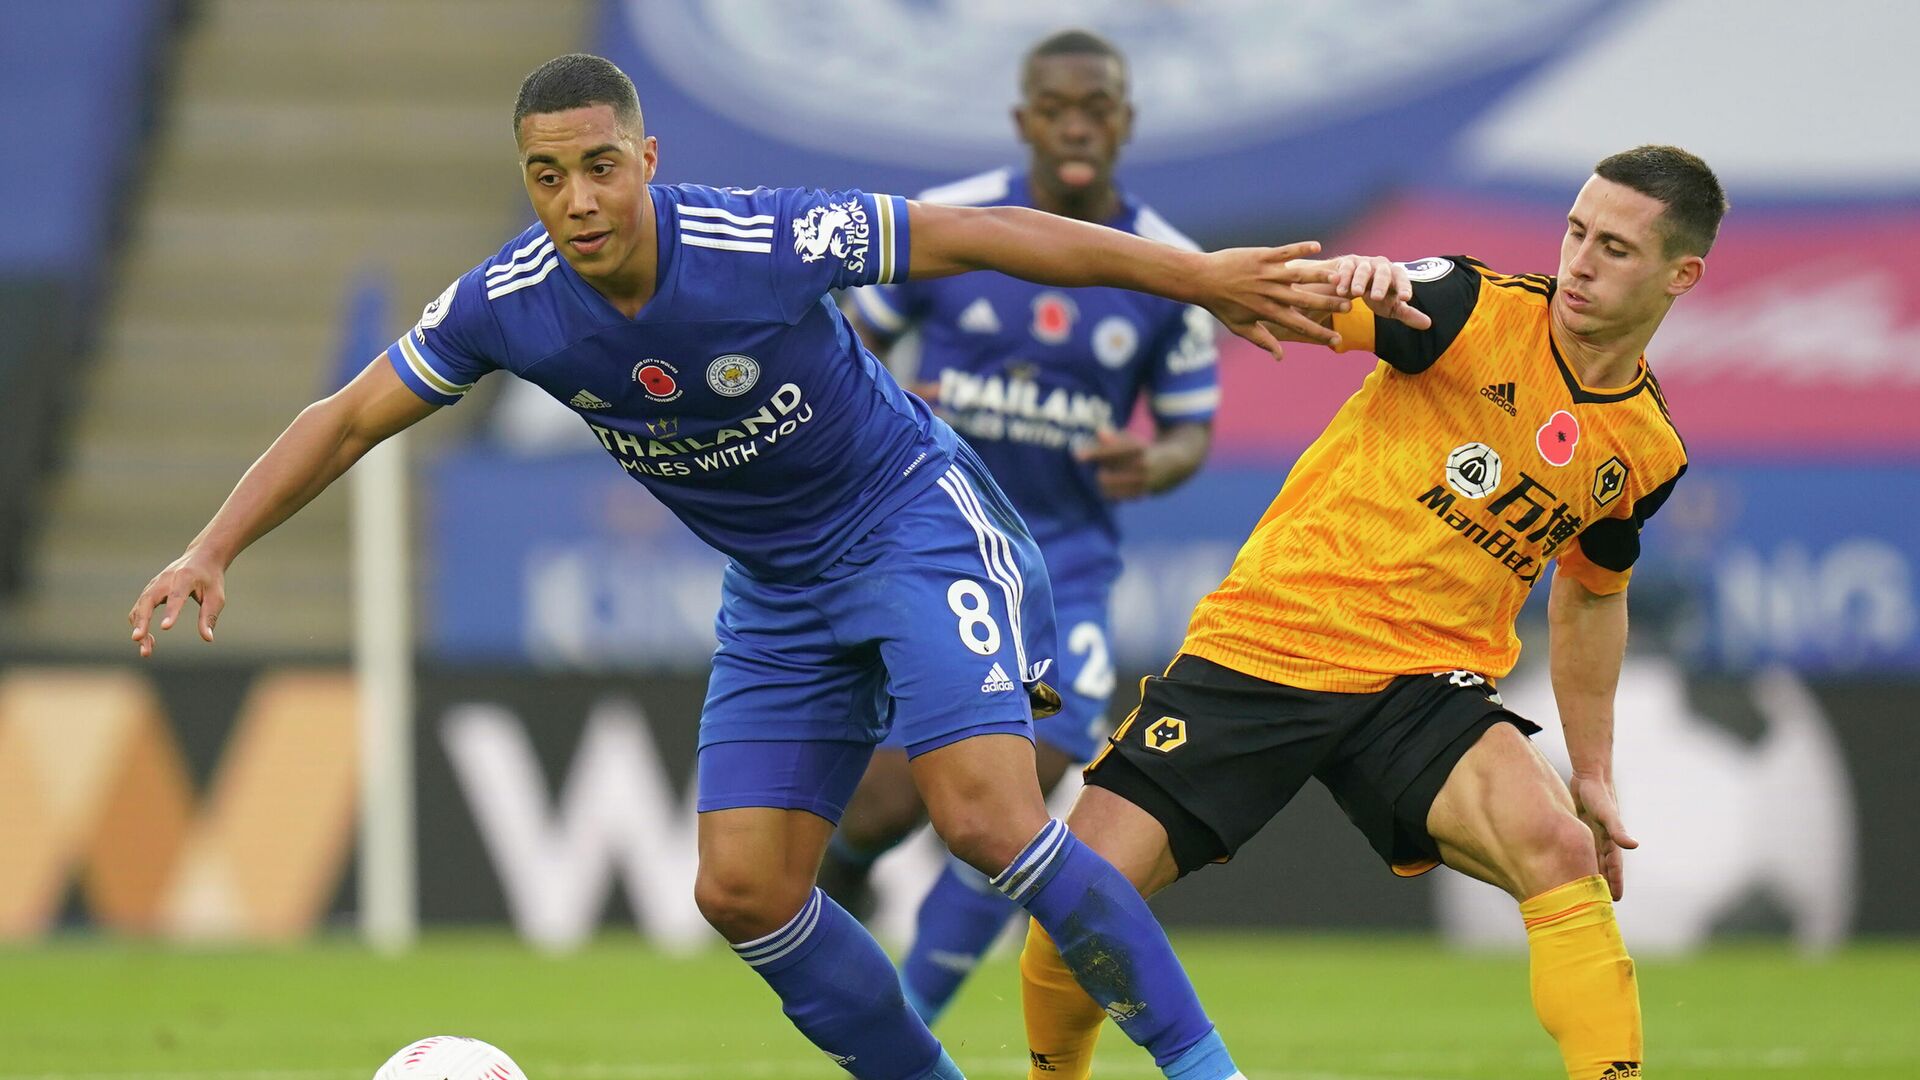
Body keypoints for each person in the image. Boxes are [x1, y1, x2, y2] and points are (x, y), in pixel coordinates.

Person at [125, 53, 1399, 1080]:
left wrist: (1195, 280)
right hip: (778, 594)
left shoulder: (760, 240)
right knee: (741, 892)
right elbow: (349, 416)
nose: (577, 200)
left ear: (648, 161)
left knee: (983, 820)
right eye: (548, 176)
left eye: (601, 167)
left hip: (911, 523)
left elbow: (983, 235)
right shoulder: (504, 303)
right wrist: (211, 543)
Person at [1017, 144, 1725, 1080]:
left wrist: (1591, 773)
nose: (1580, 264)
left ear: (1683, 275)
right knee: (1084, 897)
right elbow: (1339, 305)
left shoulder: (1646, 449)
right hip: (1272, 644)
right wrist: (1339, 285)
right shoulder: (1470, 306)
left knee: (1560, 850)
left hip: (1424, 685)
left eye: (1616, 250)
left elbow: (1593, 598)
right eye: (1575, 232)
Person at [812, 28, 1220, 1026]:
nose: (1076, 125)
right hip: (930, 548)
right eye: (1056, 107)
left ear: (1123, 121)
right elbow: (840, 344)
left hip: (1062, 569)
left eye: (1098, 107)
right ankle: (849, 869)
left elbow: (1188, 433)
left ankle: (897, 1030)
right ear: (1022, 118)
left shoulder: (1167, 269)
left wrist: (1154, 463)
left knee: (1018, 798)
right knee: (881, 804)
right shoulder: (943, 224)